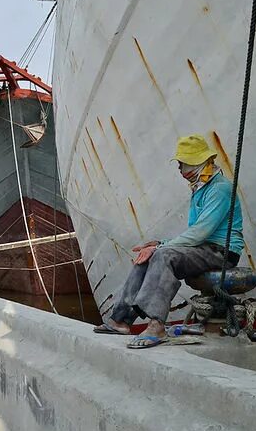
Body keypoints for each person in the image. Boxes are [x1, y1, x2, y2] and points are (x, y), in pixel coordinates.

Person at [93, 134, 244, 349]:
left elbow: (200, 233)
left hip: (222, 252)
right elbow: (196, 235)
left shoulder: (219, 189)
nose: (180, 169)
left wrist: (162, 247)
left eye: (182, 164)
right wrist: (158, 243)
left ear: (195, 163)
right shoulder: (202, 188)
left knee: (163, 254)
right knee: (149, 253)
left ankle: (157, 325)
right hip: (206, 248)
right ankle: (121, 320)